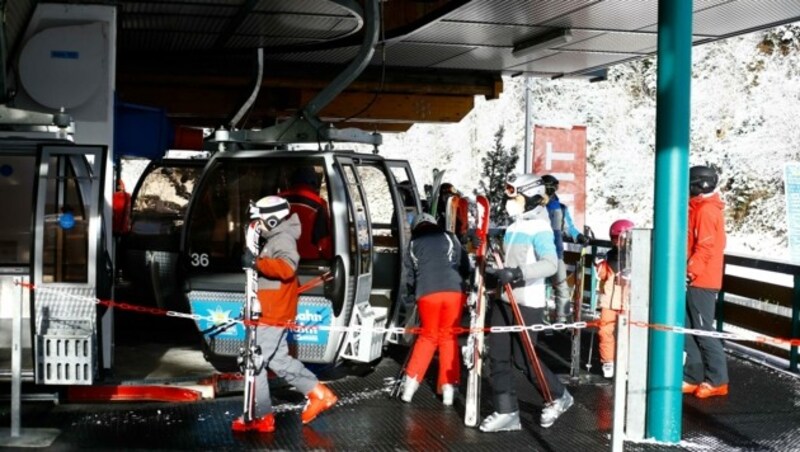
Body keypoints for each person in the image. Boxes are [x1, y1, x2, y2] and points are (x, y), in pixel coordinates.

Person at [232, 195, 337, 433]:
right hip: (272, 310)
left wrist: (257, 264)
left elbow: (287, 268)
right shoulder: (277, 238)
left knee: (254, 362)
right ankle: (319, 393)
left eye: (259, 220)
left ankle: (261, 416)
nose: (256, 224)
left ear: (271, 220)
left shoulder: (283, 238)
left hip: (272, 312)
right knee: (278, 360)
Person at [480, 173, 573, 432]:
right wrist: (493, 269)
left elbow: (550, 264)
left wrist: (517, 273)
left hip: (527, 301)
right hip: (504, 297)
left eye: (516, 196)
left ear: (531, 197)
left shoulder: (540, 228)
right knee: (497, 356)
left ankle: (557, 395)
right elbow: (506, 262)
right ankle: (506, 411)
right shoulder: (513, 227)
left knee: (524, 358)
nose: (512, 202)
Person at [400, 213, 470, 406]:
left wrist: (412, 296)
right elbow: (464, 265)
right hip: (453, 291)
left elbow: (410, 275)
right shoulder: (449, 237)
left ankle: (410, 386)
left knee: (427, 336)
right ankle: (448, 388)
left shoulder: (413, 244)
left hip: (427, 293)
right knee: (448, 337)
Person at [683, 165, 729, 399]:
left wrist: (689, 272)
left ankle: (718, 379)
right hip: (694, 278)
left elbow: (706, 246)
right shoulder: (697, 208)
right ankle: (693, 375)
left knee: (702, 330)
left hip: (701, 280)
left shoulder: (706, 210)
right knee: (687, 328)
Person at [541, 175, 590, 322]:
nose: (551, 189)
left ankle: (561, 319)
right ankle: (539, 317)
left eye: (553, 186)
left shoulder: (561, 208)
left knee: (561, 286)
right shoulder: (536, 206)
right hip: (540, 251)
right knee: (539, 285)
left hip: (556, 252)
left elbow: (569, 227)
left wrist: (579, 236)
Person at [595, 219, 634, 379]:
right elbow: (604, 277)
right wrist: (599, 266)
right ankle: (608, 361)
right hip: (610, 299)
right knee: (604, 331)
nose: (617, 242)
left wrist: (632, 275)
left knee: (628, 332)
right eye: (614, 239)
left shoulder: (638, 255)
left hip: (627, 300)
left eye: (620, 239)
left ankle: (627, 363)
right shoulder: (610, 256)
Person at [281, 166, 333, 260]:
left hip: (279, 259)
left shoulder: (278, 199)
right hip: (308, 262)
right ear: (314, 182)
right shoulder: (319, 204)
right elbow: (324, 239)